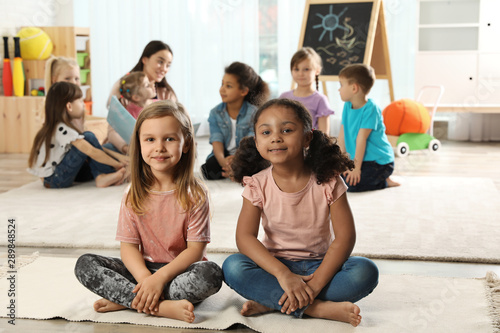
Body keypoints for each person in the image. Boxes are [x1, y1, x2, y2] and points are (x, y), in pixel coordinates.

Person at [222, 99, 379, 327]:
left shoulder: (329, 181)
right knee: (233, 266)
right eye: (266, 132)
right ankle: (316, 308)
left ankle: (272, 301)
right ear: (257, 142)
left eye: (286, 130)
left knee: (365, 271)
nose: (276, 137)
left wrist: (314, 286)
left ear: (307, 137)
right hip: (274, 267)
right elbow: (244, 238)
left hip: (321, 267)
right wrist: (283, 275)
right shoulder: (257, 184)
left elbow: (345, 238)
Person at [74, 100, 223, 323]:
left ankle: (128, 300)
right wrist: (146, 279)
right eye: (150, 139)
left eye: (169, 139)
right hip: (139, 272)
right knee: (85, 265)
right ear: (140, 144)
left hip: (179, 273)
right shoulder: (133, 193)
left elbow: (195, 251)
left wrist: (159, 279)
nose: (159, 147)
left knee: (211, 275)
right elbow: (129, 248)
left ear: (186, 144)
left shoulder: (196, 194)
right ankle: (160, 306)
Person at [27, 82, 128, 188]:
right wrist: (117, 164)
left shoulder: (59, 127)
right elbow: (91, 150)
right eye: (80, 101)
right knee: (88, 137)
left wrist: (119, 158)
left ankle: (104, 175)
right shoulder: (61, 129)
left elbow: (94, 147)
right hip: (56, 179)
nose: (83, 104)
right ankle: (104, 176)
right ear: (69, 106)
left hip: (57, 176)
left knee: (91, 143)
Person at [105, 41, 177, 154]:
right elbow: (113, 129)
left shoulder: (167, 93)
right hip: (124, 147)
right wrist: (125, 148)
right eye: (160, 62)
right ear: (145, 60)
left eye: (168, 65)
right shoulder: (125, 87)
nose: (164, 68)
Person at [201, 61, 269, 180]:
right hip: (225, 155)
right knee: (208, 169)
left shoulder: (254, 113)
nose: (222, 90)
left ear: (243, 91)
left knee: (259, 167)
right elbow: (217, 141)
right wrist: (223, 162)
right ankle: (232, 172)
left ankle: (236, 172)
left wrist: (237, 161)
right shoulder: (215, 113)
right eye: (222, 84)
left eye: (228, 86)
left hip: (245, 155)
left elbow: (250, 144)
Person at [337, 64, 400, 192]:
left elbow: (361, 139)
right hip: (358, 159)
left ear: (354, 88)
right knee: (337, 180)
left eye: (341, 85)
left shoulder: (371, 108)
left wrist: (356, 168)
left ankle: (384, 181)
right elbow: (342, 137)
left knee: (351, 186)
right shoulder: (347, 107)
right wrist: (341, 163)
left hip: (379, 162)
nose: (339, 89)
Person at [279, 47, 334, 135]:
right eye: (296, 69)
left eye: (306, 69)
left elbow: (324, 135)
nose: (300, 73)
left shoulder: (320, 100)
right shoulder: (284, 97)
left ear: (317, 71)